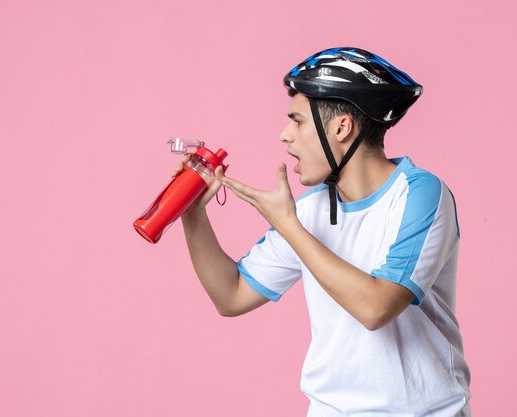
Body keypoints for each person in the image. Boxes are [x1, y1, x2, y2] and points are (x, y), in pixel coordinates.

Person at [176, 47, 471, 416]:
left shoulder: (419, 194)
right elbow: (231, 296)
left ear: (341, 127)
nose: (285, 136)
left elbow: (376, 307)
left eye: (297, 121)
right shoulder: (309, 209)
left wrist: (289, 227)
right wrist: (192, 215)